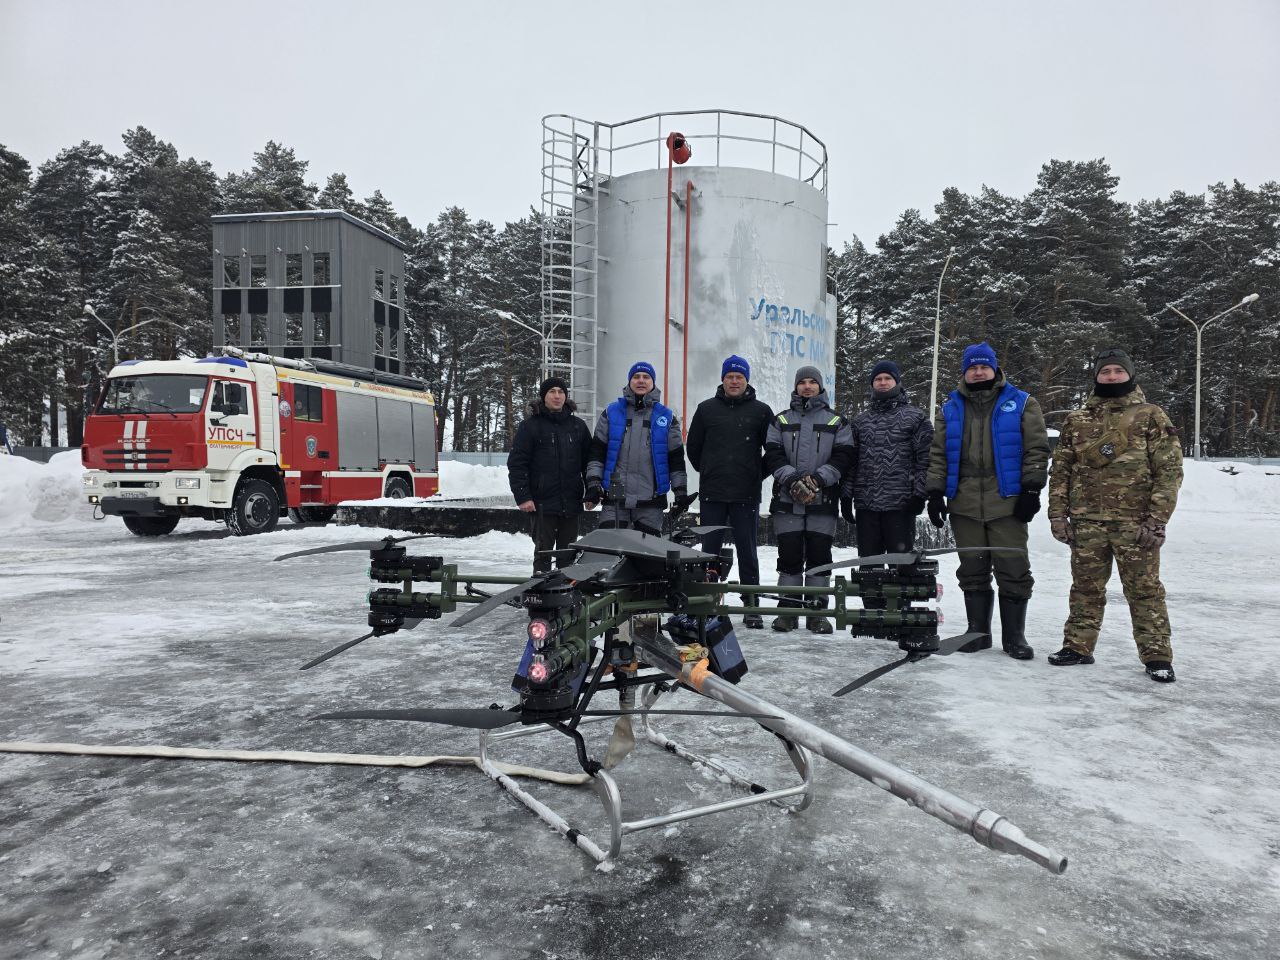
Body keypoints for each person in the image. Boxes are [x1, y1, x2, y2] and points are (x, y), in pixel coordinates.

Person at [1046, 348, 1184, 682]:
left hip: (1135, 524)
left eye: (1117, 371)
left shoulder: (1150, 415)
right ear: (1096, 376)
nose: (1111, 376)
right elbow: (1061, 468)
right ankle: (1078, 646)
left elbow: (1168, 469)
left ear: (1129, 375)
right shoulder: (1078, 419)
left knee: (1145, 591)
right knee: (1085, 589)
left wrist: (1157, 519)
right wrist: (1057, 515)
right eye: (1105, 371)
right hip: (1087, 522)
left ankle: (1157, 656)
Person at [926, 342, 1050, 659]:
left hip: (1006, 499)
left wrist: (1031, 490)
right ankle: (977, 633)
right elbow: (938, 453)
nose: (978, 371)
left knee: (1013, 567)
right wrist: (935, 492)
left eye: (984, 366)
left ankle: (1015, 637)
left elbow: (1036, 450)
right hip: (964, 499)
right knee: (972, 568)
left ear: (995, 369)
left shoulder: (1022, 403)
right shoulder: (950, 407)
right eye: (972, 367)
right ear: (964, 371)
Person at [763, 366, 855, 634]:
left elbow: (844, 457)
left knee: (819, 558)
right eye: (802, 382)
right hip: (786, 500)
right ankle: (788, 612)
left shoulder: (837, 421)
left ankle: (817, 612)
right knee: (789, 557)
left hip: (822, 502)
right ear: (796, 386)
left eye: (812, 382)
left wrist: (816, 479)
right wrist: (792, 479)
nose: (807, 386)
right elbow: (772, 455)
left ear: (820, 386)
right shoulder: (779, 421)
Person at [687, 354, 774, 629]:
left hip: (746, 493)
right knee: (708, 552)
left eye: (739, 377)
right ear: (722, 379)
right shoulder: (706, 409)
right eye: (729, 377)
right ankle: (706, 604)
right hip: (712, 492)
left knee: (748, 551)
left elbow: (773, 451)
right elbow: (693, 448)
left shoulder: (761, 411)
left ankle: (751, 607)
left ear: (746, 380)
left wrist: (754, 473)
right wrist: (710, 469)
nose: (734, 381)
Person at [840, 360, 932, 599]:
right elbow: (852, 462)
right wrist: (846, 494)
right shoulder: (860, 421)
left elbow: (926, 459)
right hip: (867, 503)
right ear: (872, 384)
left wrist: (920, 493)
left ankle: (901, 613)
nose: (882, 383)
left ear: (897, 382)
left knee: (902, 563)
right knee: (869, 563)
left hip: (900, 503)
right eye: (878, 379)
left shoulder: (916, 418)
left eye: (887, 378)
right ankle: (872, 614)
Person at [585, 361, 692, 534]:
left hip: (651, 500)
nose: (641, 380)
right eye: (636, 377)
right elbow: (597, 454)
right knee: (611, 551)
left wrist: (680, 492)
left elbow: (676, 460)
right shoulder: (611, 412)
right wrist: (594, 484)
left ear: (653, 382)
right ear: (629, 382)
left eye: (646, 377)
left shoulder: (666, 417)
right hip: (615, 498)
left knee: (645, 556)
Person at [508, 377, 593, 574]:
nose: (557, 396)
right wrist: (523, 496)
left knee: (568, 555)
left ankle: (566, 597)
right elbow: (517, 464)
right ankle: (541, 599)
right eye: (552, 392)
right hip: (541, 504)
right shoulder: (530, 426)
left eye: (561, 392)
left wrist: (591, 492)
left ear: (566, 396)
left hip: (571, 502)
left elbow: (589, 463)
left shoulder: (578, 427)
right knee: (543, 555)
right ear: (543, 396)